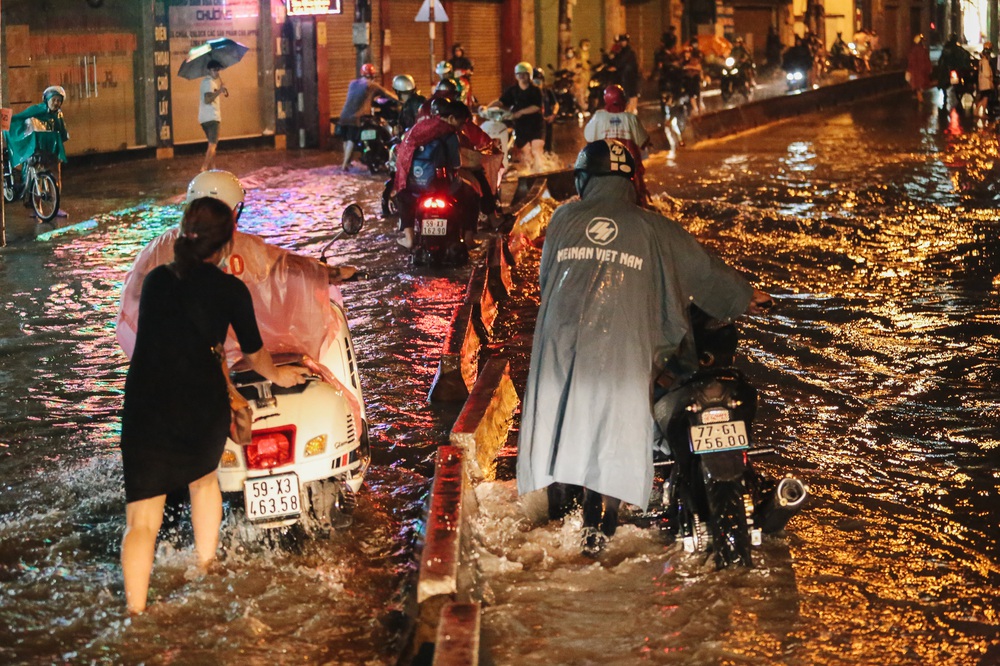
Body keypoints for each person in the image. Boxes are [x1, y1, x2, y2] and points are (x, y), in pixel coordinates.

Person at [517, 139, 772, 556]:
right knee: (614, 435)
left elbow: (548, 282)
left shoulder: (562, 219)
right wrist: (746, 296)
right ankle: (603, 530)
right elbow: (704, 271)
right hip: (622, 358)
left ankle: (563, 524)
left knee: (563, 429)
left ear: (583, 181)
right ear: (631, 184)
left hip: (561, 354)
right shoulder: (654, 228)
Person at [118, 196, 310, 614]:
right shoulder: (229, 290)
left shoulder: (155, 281)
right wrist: (282, 376)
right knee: (203, 482)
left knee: (142, 523)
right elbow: (257, 355)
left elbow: (162, 343)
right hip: (199, 405)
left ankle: (135, 616)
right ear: (227, 245)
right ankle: (204, 569)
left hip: (145, 407)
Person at [116, 170, 358, 365]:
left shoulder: (156, 265)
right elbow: (284, 263)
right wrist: (331, 273)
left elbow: (133, 299)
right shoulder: (232, 281)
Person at [391, 98, 480, 249]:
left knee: (403, 197)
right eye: (461, 123)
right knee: (472, 195)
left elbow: (403, 153)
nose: (461, 127)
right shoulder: (450, 134)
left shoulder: (421, 127)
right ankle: (469, 238)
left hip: (414, 186)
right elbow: (456, 164)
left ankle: (409, 238)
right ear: (451, 118)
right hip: (442, 187)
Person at [6, 85, 70, 216]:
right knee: (36, 178)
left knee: (56, 176)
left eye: (59, 100)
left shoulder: (59, 114)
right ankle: (37, 207)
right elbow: (19, 118)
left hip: (52, 149)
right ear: (47, 99)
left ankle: (55, 206)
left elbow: (62, 132)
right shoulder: (37, 109)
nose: (57, 103)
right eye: (54, 100)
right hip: (37, 149)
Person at [583, 85, 650, 204]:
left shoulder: (599, 116)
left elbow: (588, 137)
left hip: (604, 165)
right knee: (640, 195)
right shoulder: (631, 118)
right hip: (630, 166)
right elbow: (643, 141)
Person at [336, 63, 397, 172]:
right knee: (351, 140)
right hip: (356, 117)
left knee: (346, 139)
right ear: (373, 75)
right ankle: (344, 165)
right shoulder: (372, 85)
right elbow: (388, 95)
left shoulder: (352, 83)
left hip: (343, 116)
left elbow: (359, 97)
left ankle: (347, 162)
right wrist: (402, 100)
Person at [490, 62, 545, 172]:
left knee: (536, 150)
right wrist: (488, 107)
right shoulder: (512, 90)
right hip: (521, 126)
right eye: (518, 74)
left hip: (536, 125)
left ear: (529, 75)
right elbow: (502, 101)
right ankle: (531, 173)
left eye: (524, 74)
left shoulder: (535, 90)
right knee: (526, 153)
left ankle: (542, 171)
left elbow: (537, 106)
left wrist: (520, 112)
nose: (521, 77)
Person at [199, 61, 227, 172]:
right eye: (214, 70)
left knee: (211, 144)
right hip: (211, 117)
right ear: (209, 71)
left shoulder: (209, 83)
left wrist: (219, 89)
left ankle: (213, 168)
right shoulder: (208, 82)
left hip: (205, 118)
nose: (217, 72)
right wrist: (220, 91)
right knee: (213, 144)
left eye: (218, 70)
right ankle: (204, 167)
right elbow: (207, 99)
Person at [610, 34, 640, 113]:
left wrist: (616, 66)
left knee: (629, 93)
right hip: (623, 75)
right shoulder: (619, 51)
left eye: (624, 41)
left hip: (629, 76)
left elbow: (621, 61)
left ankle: (630, 108)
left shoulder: (628, 51)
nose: (622, 43)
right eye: (621, 41)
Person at [534, 67, 559, 152]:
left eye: (539, 78)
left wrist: (553, 115)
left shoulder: (547, 91)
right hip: (535, 122)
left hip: (547, 120)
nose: (537, 81)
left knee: (547, 143)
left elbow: (555, 104)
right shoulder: (530, 92)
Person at [906, 34, 933, 103]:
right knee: (920, 84)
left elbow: (911, 61)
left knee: (917, 84)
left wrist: (909, 69)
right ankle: (919, 95)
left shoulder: (914, 50)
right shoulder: (923, 50)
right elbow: (927, 60)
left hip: (916, 71)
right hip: (921, 71)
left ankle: (919, 95)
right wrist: (929, 68)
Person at [974, 42, 995, 120]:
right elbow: (987, 73)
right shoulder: (985, 61)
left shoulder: (982, 60)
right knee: (985, 97)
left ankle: (976, 111)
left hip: (982, 82)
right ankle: (982, 113)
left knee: (983, 97)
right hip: (986, 82)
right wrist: (991, 78)